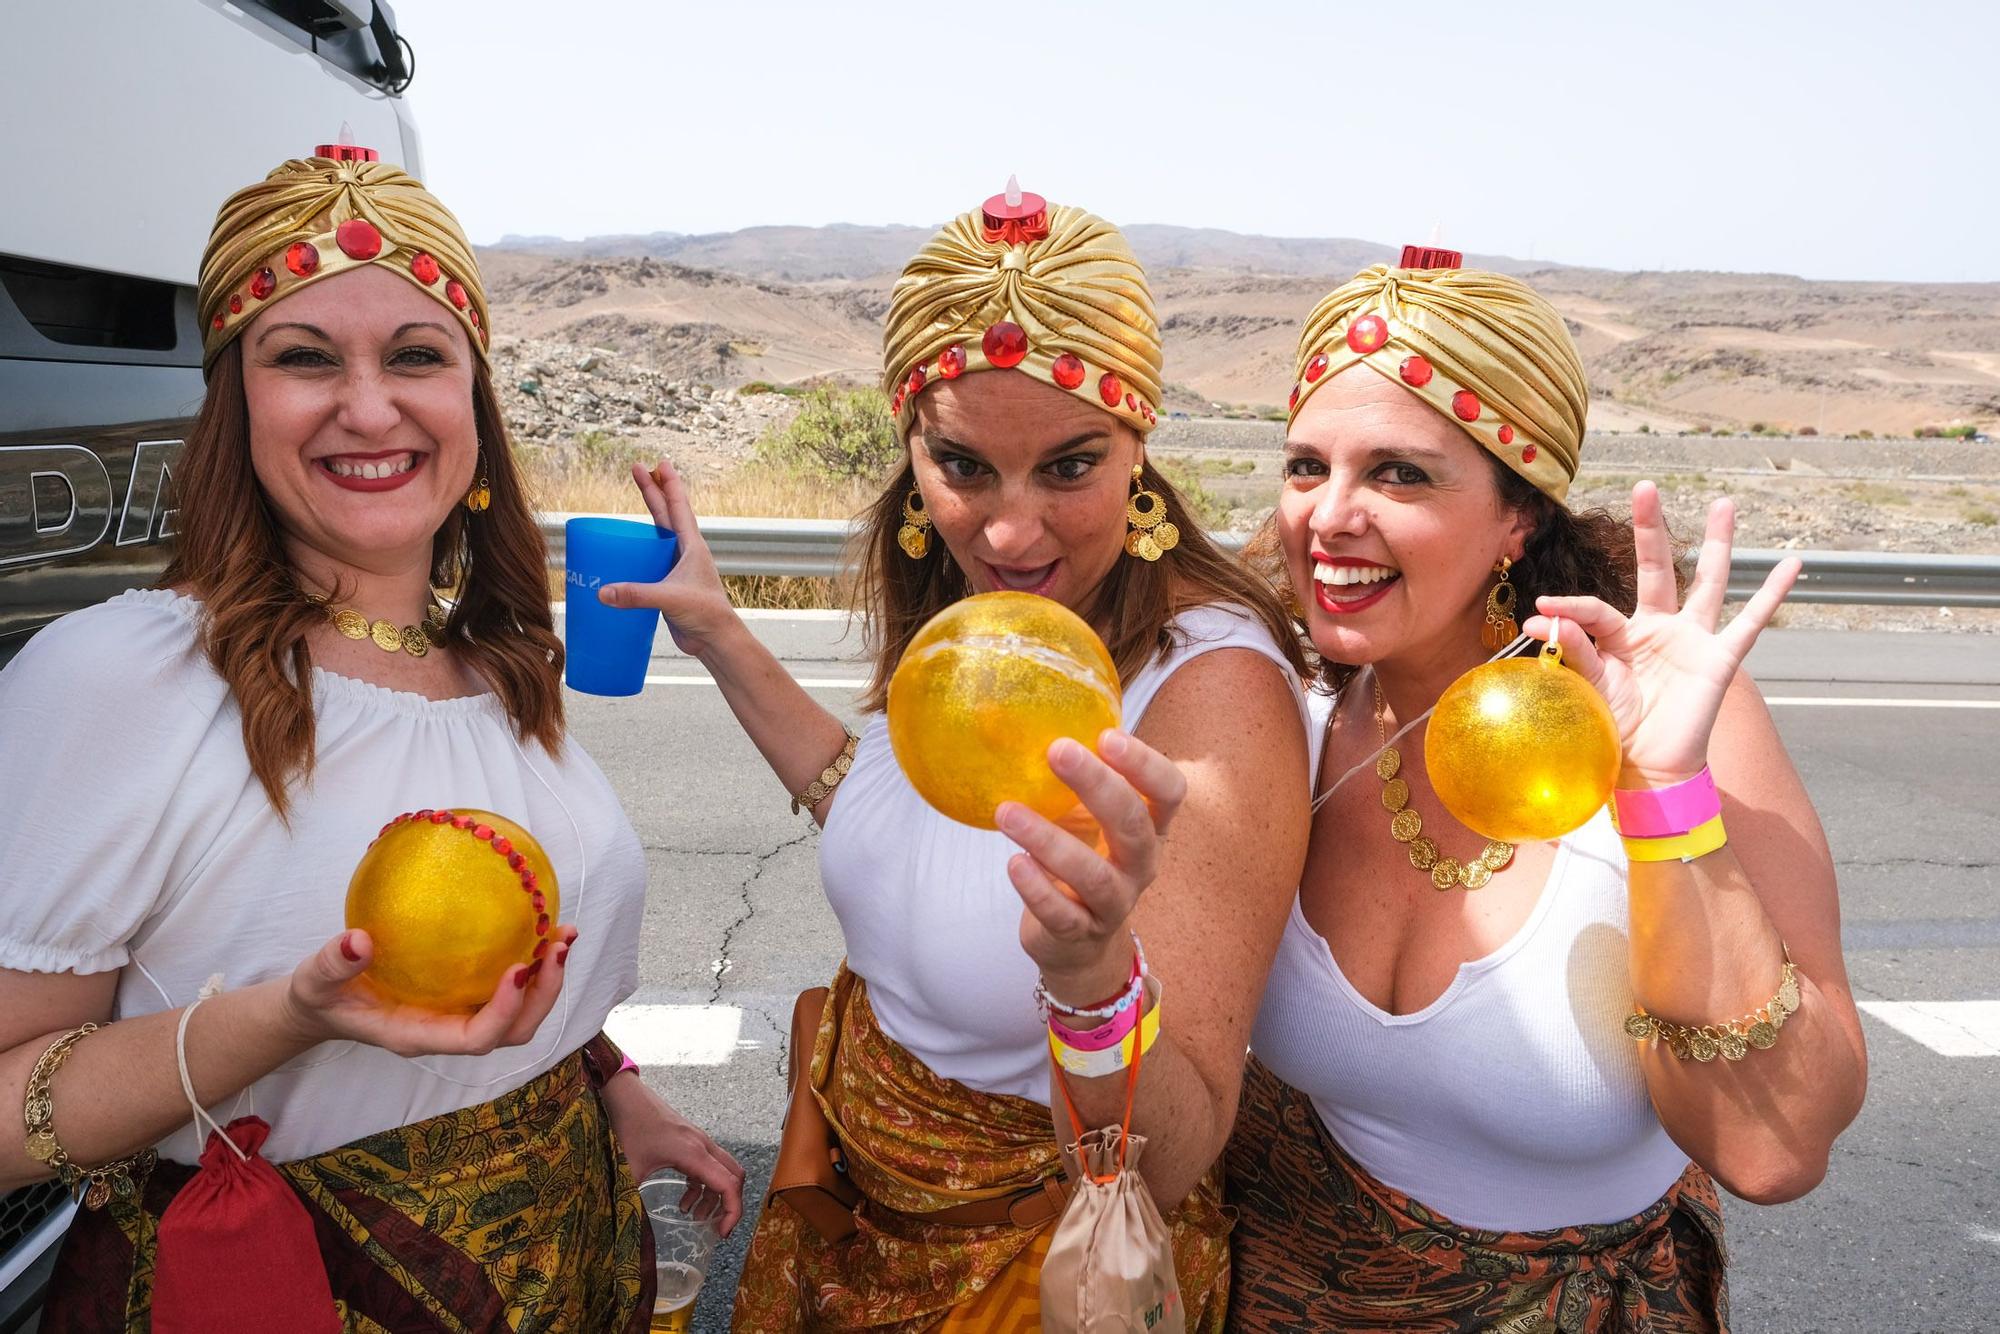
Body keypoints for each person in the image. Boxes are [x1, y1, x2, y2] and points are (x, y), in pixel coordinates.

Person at [0, 142, 741, 1331]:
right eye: (303, 359)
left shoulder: (500, 666)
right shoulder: (124, 680)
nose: (368, 404)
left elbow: (495, 956)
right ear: (235, 406)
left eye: (415, 356)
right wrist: (286, 1015)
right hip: (281, 1286)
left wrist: (607, 1085)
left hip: (574, 1257)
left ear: (472, 405)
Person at [602, 185, 1312, 1331]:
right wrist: (718, 635)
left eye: (1069, 466)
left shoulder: (1208, 686)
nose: (1011, 533)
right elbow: (883, 807)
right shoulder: (975, 623)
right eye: (965, 467)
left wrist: (1090, 975)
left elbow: (1167, 1157)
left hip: (1032, 1280)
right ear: (911, 449)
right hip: (854, 1222)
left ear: (1139, 444)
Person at [1224, 248, 1869, 1330]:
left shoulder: (1665, 726)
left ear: (1515, 519)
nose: (1327, 515)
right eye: (1304, 466)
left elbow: (1773, 1148)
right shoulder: (1283, 707)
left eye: (1398, 473)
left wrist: (1661, 794)